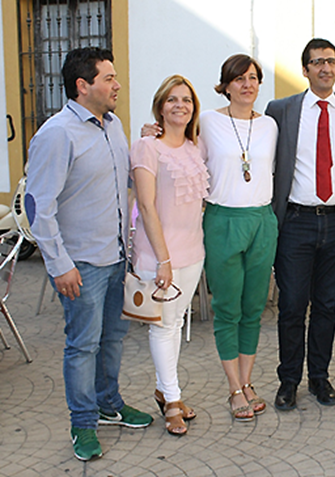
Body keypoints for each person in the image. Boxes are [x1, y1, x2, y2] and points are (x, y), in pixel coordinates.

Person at [25, 47, 152, 461]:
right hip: (80, 264)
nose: (117, 85)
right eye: (109, 78)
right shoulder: (57, 133)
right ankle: (83, 423)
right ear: (83, 86)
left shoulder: (113, 126)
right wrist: (59, 264)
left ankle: (109, 403)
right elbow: (37, 205)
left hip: (117, 257)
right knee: (82, 346)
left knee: (113, 337)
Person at [266, 38, 335, 410]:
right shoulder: (281, 110)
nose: (325, 67)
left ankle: (319, 378)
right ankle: (288, 380)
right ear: (305, 69)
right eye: (316, 62)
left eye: (330, 61)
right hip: (295, 222)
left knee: (327, 305)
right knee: (293, 305)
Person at [131, 75, 208, 435]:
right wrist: (162, 259)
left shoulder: (195, 147)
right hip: (159, 256)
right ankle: (173, 401)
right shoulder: (148, 147)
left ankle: (165, 390)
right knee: (162, 328)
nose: (181, 106)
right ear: (160, 106)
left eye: (187, 100)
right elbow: (146, 206)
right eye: (172, 100)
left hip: (193, 253)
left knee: (175, 324)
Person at [202, 55, 278, 421]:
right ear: (226, 84)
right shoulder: (208, 122)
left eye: (253, 78)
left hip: (262, 220)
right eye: (239, 78)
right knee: (227, 309)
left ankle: (247, 382)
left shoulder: (270, 126)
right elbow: (184, 154)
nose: (247, 84)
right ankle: (233, 388)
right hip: (223, 220)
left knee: (254, 308)